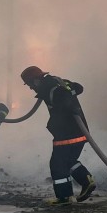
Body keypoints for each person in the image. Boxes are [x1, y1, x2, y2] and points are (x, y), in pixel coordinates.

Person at [20, 65, 95, 205]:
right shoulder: (59, 82)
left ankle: (64, 197)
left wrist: (66, 102)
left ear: (36, 80)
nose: (31, 88)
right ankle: (86, 180)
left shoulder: (49, 87)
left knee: (57, 164)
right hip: (79, 131)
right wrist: (69, 92)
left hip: (66, 134)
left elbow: (64, 96)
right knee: (69, 161)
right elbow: (79, 87)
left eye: (30, 84)